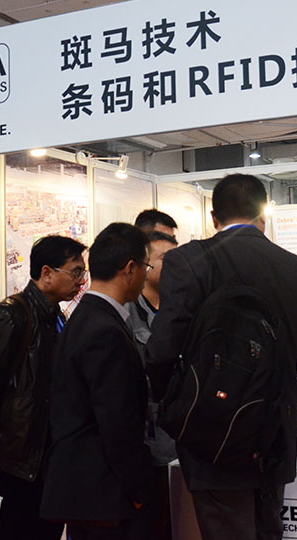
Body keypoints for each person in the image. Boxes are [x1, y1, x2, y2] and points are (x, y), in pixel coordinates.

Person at [146, 174, 297, 540]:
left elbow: (162, 350)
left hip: (210, 433)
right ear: (264, 214)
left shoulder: (188, 261)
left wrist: (175, 407)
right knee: (269, 530)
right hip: (274, 433)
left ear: (213, 217)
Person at [0, 235, 87, 540]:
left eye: (83, 273)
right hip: (23, 458)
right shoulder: (10, 316)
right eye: (75, 272)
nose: (82, 281)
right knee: (22, 526)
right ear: (47, 273)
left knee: (47, 527)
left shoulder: (54, 315)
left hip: (48, 456)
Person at [41, 223, 155, 540]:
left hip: (86, 489)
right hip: (103, 492)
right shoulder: (105, 330)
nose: (146, 276)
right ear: (129, 269)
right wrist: (138, 488)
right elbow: (117, 423)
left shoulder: (86, 317)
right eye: (146, 267)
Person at [126, 230, 178, 540]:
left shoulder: (181, 308)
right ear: (145, 265)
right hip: (146, 442)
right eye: (165, 259)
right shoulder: (127, 312)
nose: (174, 266)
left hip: (181, 439)